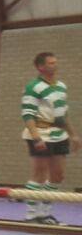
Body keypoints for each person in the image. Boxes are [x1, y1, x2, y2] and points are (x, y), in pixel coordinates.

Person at [21, 52, 76, 224]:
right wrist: (36, 138)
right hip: (40, 133)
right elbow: (27, 114)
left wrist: (73, 135)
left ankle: (45, 214)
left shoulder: (61, 86)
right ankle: (31, 215)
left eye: (55, 62)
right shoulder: (33, 87)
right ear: (40, 67)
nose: (55, 65)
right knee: (39, 174)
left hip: (59, 135)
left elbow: (63, 115)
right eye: (51, 63)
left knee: (58, 175)